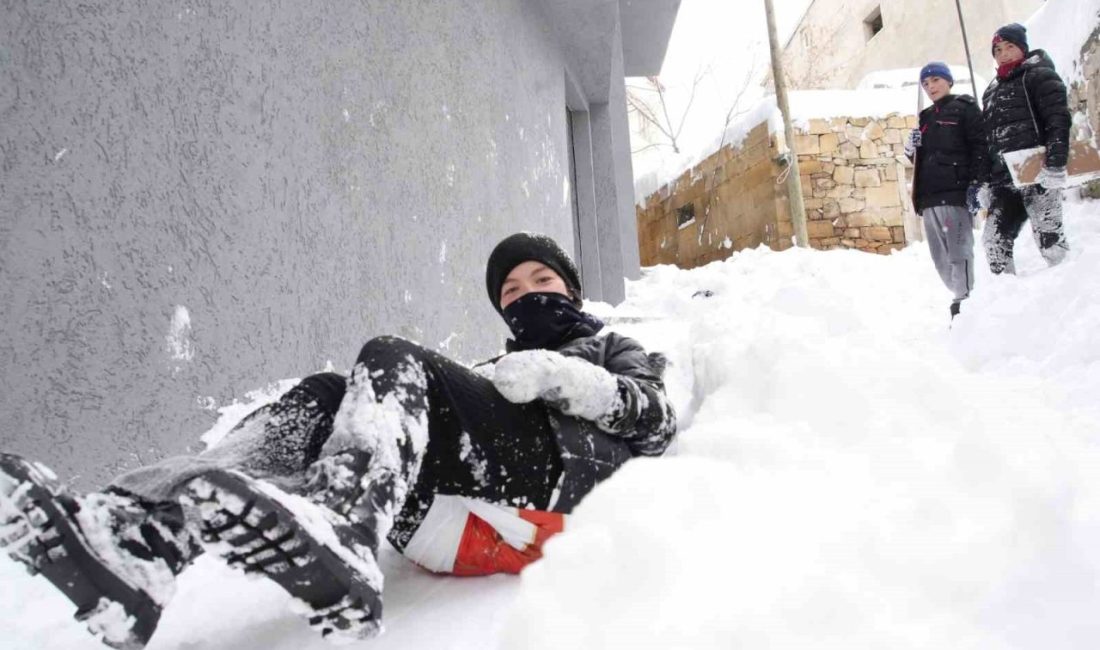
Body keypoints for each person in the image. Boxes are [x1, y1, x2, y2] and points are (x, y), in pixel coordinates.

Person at [0, 232, 678, 649]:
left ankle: (345, 524)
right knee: (325, 393)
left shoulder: (611, 344)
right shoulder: (487, 372)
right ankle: (146, 536)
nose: (526, 293)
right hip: (453, 496)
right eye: (511, 289)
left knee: (389, 352)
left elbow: (654, 419)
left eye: (543, 281)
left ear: (573, 289)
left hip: (561, 475)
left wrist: (564, 376)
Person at [976, 22, 1072, 275]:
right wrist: (986, 181)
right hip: (1005, 181)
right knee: (993, 241)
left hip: (1038, 173)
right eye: (997, 50)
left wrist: (1055, 164)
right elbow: (988, 139)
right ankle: (1007, 297)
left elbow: (1058, 120)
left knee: (1049, 237)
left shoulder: (1039, 75)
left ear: (1022, 48)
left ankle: (1068, 290)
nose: (1004, 53)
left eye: (1009, 46)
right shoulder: (991, 92)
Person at [904, 61, 987, 319]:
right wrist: (911, 149)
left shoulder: (965, 108)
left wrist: (977, 182)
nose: (931, 87)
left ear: (948, 81)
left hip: (954, 193)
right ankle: (960, 293)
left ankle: (964, 299)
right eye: (926, 84)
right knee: (939, 256)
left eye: (935, 80)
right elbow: (918, 160)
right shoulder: (925, 118)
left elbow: (980, 146)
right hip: (929, 198)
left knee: (958, 249)